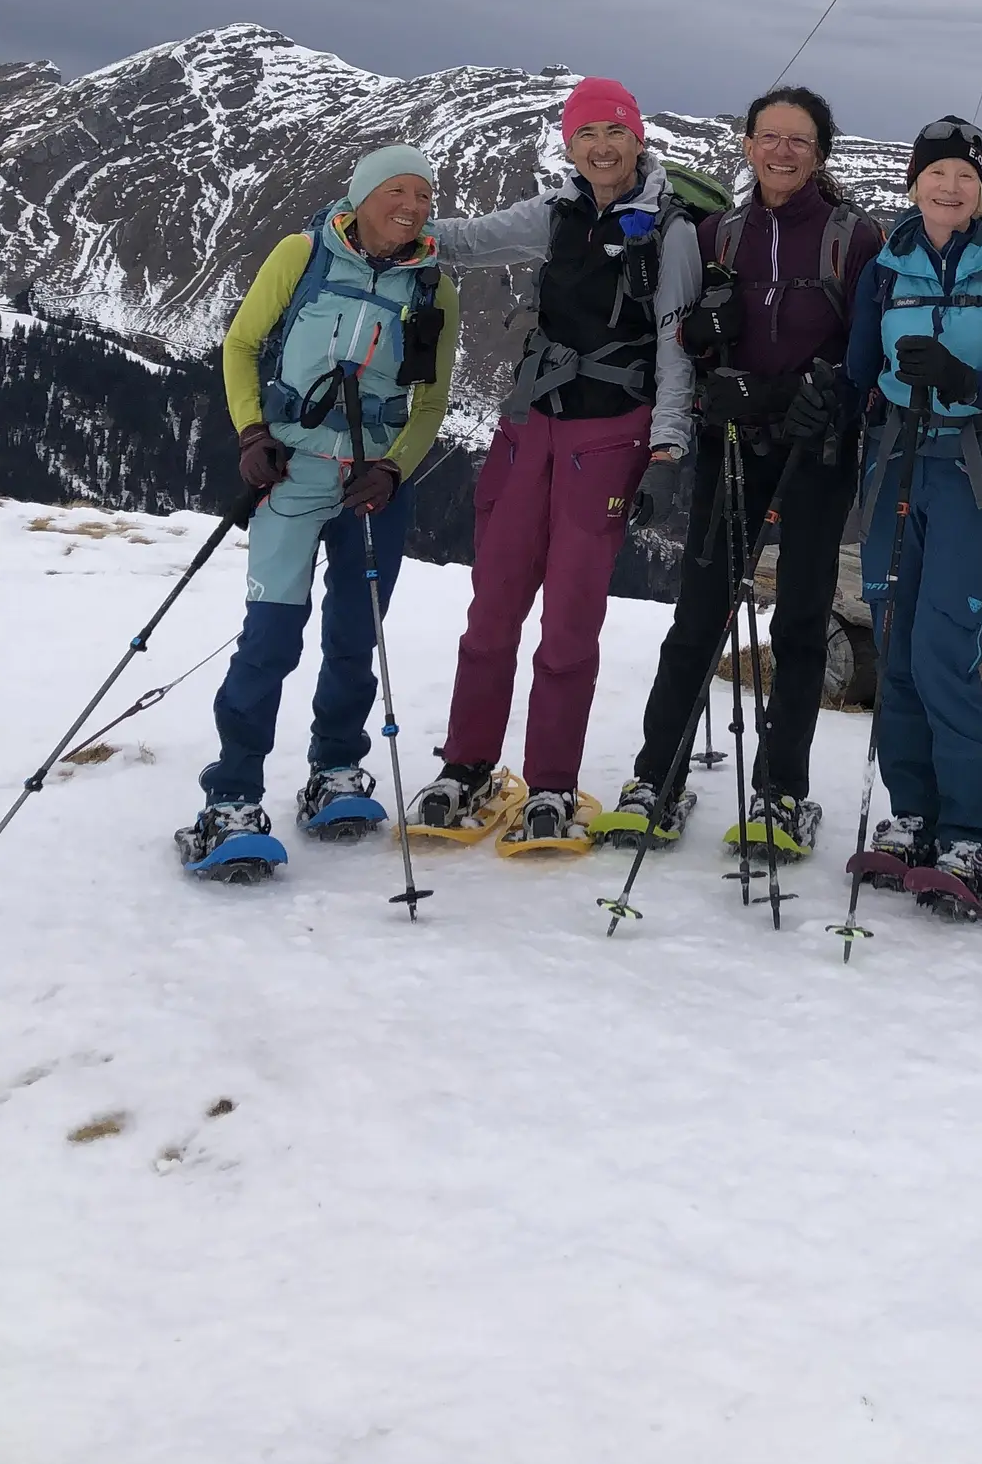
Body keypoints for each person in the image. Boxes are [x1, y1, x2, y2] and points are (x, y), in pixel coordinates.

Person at [413, 77, 702, 846]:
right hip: (529, 430)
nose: (601, 148)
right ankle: (466, 764)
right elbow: (471, 241)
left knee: (571, 621)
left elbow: (676, 346)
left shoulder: (669, 231)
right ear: (569, 146)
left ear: (637, 140)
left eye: (614, 132)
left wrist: (669, 448)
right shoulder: (554, 214)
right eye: (585, 136)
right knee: (493, 607)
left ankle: (551, 782)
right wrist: (396, 229)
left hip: (610, 440)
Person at [175, 145, 461, 872]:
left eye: (424, 196)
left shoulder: (434, 289)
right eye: (397, 191)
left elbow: (429, 403)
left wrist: (394, 467)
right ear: (361, 196)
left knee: (354, 635)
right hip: (292, 472)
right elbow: (241, 345)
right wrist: (250, 432)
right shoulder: (302, 255)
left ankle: (336, 769)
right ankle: (231, 796)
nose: (413, 205)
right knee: (271, 633)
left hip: (373, 488)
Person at [613, 85, 881, 857]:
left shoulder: (851, 239)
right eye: (769, 137)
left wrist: (816, 394)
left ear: (820, 152)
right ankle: (653, 776)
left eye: (799, 140)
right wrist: (704, 339)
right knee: (698, 615)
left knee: (800, 622)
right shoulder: (715, 234)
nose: (782, 151)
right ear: (748, 146)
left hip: (814, 453)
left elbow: (864, 354)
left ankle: (781, 792)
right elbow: (682, 340)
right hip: (730, 445)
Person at [845, 116, 982, 907]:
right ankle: (915, 814)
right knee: (895, 642)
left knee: (943, 650)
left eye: (964, 175)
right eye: (936, 173)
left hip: (977, 469)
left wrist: (969, 382)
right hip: (897, 458)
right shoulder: (887, 265)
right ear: (913, 181)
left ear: (981, 185)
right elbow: (859, 368)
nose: (949, 186)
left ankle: (979, 836)